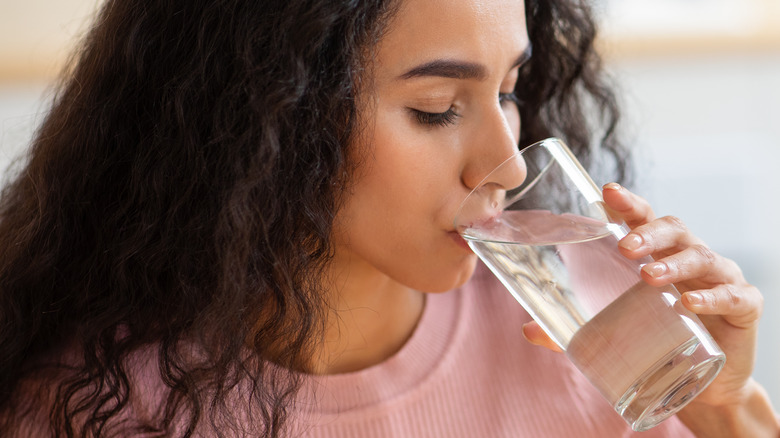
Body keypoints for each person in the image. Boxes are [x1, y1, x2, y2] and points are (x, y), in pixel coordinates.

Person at [0, 0, 777, 436]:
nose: (507, 165)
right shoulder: (97, 406)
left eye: (508, 90)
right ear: (268, 116)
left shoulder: (591, 337)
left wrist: (726, 409)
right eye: (436, 109)